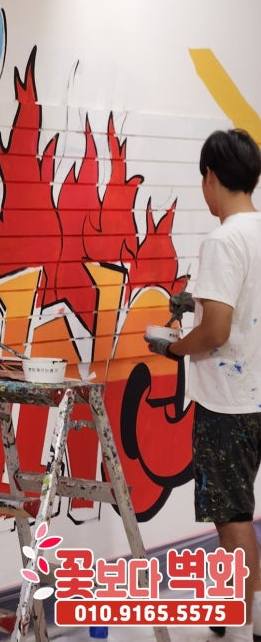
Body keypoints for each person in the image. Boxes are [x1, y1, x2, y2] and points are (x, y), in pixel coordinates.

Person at [146, 128, 261, 642]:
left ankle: (237, 630)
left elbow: (216, 331)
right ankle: (252, 618)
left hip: (228, 405)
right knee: (243, 513)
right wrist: (195, 301)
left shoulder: (222, 240)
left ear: (210, 177)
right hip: (256, 395)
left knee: (232, 519)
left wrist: (172, 347)